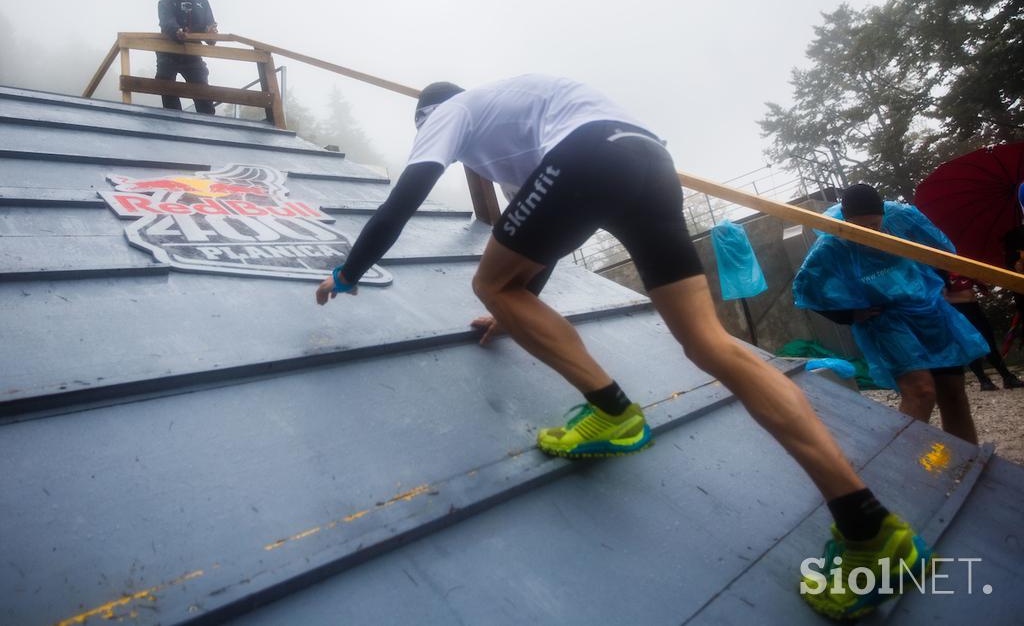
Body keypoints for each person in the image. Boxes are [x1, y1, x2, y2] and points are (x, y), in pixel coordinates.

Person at [314, 76, 933, 620]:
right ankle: (868, 525)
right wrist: (516, 306)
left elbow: (406, 198)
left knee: (487, 279)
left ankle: (612, 410)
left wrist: (349, 272)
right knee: (708, 342)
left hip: (588, 159)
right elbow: (544, 242)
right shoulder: (516, 114)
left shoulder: (448, 111)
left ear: (428, 118)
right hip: (648, 158)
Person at [794, 184, 988, 445]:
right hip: (885, 319)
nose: (869, 232)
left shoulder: (903, 218)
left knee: (953, 392)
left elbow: (940, 250)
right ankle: (901, 470)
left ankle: (969, 465)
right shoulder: (832, 243)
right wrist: (849, 314)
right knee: (920, 391)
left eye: (874, 224)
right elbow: (807, 287)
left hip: (929, 310)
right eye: (860, 228)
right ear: (845, 218)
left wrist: (943, 284)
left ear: (883, 212)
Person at [156, 0, 218, 115]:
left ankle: (209, 128)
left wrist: (211, 34)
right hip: (168, 53)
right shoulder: (165, 2)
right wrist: (177, 31)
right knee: (167, 89)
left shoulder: (202, 2)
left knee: (203, 96)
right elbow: (167, 22)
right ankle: (174, 125)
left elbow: (210, 29)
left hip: (192, 54)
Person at [945, 274, 1024, 391]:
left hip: (974, 308)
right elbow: (941, 297)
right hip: (958, 311)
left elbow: (983, 286)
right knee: (970, 346)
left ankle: (1007, 378)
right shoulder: (941, 270)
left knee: (989, 342)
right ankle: (983, 380)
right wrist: (966, 297)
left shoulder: (964, 267)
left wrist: (980, 283)